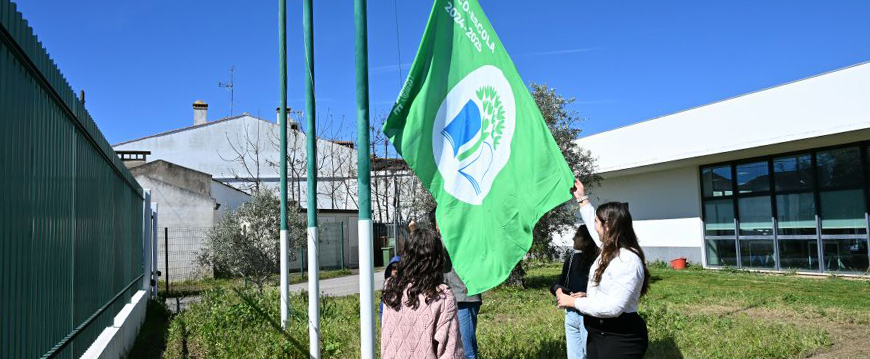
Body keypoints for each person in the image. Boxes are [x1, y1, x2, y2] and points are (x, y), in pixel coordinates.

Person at [556, 179, 651, 359]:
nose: (594, 227)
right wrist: (581, 198)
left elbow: (613, 307)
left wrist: (573, 302)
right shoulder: (611, 250)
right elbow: (609, 294)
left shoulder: (627, 260)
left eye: (597, 223)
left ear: (607, 227)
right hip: (600, 335)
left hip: (619, 340)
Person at [380, 229, 464, 359]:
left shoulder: (391, 287)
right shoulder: (442, 296)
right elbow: (451, 352)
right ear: (437, 259)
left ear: (406, 255)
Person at [428, 207, 483, 359]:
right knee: (445, 346)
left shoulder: (458, 238)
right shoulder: (440, 240)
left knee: (466, 348)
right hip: (444, 299)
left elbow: (443, 250)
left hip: (464, 299)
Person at [550, 224, 599, 359]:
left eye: (577, 235)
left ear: (588, 240)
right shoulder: (572, 259)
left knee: (589, 354)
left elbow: (606, 291)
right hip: (571, 313)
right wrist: (558, 291)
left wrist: (587, 295)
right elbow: (559, 283)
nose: (573, 238)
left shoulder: (599, 262)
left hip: (588, 315)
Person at [379, 255, 401, 323]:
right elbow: (382, 310)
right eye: (394, 268)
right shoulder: (387, 287)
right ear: (390, 270)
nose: (396, 271)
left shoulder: (407, 288)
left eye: (398, 268)